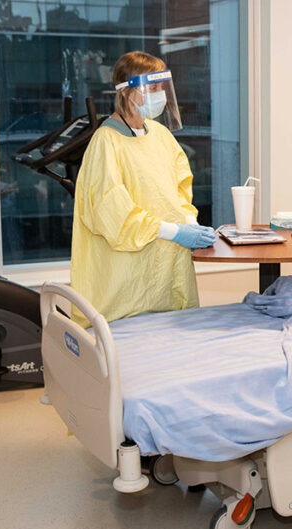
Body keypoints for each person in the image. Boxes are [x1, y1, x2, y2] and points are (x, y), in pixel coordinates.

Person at [70, 51, 215, 326]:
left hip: (169, 265)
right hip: (126, 280)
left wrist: (189, 221)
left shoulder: (160, 135)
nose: (159, 94)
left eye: (162, 87)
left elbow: (180, 185)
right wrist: (172, 231)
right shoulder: (106, 142)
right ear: (126, 91)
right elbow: (110, 210)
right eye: (152, 87)